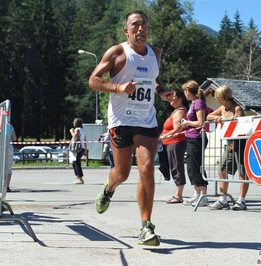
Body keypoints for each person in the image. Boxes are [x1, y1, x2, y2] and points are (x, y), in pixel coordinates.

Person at [88, 10, 172, 246]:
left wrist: (161, 91)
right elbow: (93, 79)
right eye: (135, 25)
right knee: (122, 173)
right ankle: (109, 187)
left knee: (146, 168)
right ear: (127, 31)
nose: (140, 29)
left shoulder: (155, 53)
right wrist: (118, 88)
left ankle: (146, 226)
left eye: (144, 24)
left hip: (146, 120)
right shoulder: (117, 53)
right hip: (121, 121)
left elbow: (152, 79)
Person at [206, 85, 249, 210]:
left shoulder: (237, 108)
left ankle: (242, 200)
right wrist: (217, 117)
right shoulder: (222, 108)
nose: (217, 100)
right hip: (229, 143)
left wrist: (232, 119)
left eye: (218, 97)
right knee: (222, 169)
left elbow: (241, 126)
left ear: (224, 97)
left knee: (242, 172)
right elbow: (209, 116)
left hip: (241, 143)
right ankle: (223, 199)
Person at [179, 80, 209, 207]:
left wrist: (187, 123)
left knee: (197, 166)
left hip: (197, 138)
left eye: (184, 91)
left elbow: (200, 122)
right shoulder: (193, 103)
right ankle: (196, 194)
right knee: (191, 167)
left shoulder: (199, 103)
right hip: (190, 138)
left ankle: (203, 195)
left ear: (187, 91)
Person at [159, 89, 188, 204]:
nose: (170, 98)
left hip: (175, 142)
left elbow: (178, 128)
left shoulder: (180, 112)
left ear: (180, 99)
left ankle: (179, 195)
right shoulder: (176, 111)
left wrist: (164, 136)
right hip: (170, 143)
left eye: (173, 96)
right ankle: (177, 194)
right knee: (173, 167)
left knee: (176, 166)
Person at [70, 118, 87, 184]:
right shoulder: (83, 130)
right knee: (75, 162)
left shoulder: (77, 129)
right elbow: (85, 140)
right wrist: (85, 150)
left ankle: (80, 178)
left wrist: (71, 131)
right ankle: (77, 177)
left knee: (76, 163)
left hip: (77, 148)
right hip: (82, 148)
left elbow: (75, 136)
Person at [6, 123, 17, 192]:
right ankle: (7, 186)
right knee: (9, 168)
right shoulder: (10, 126)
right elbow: (14, 138)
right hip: (9, 146)